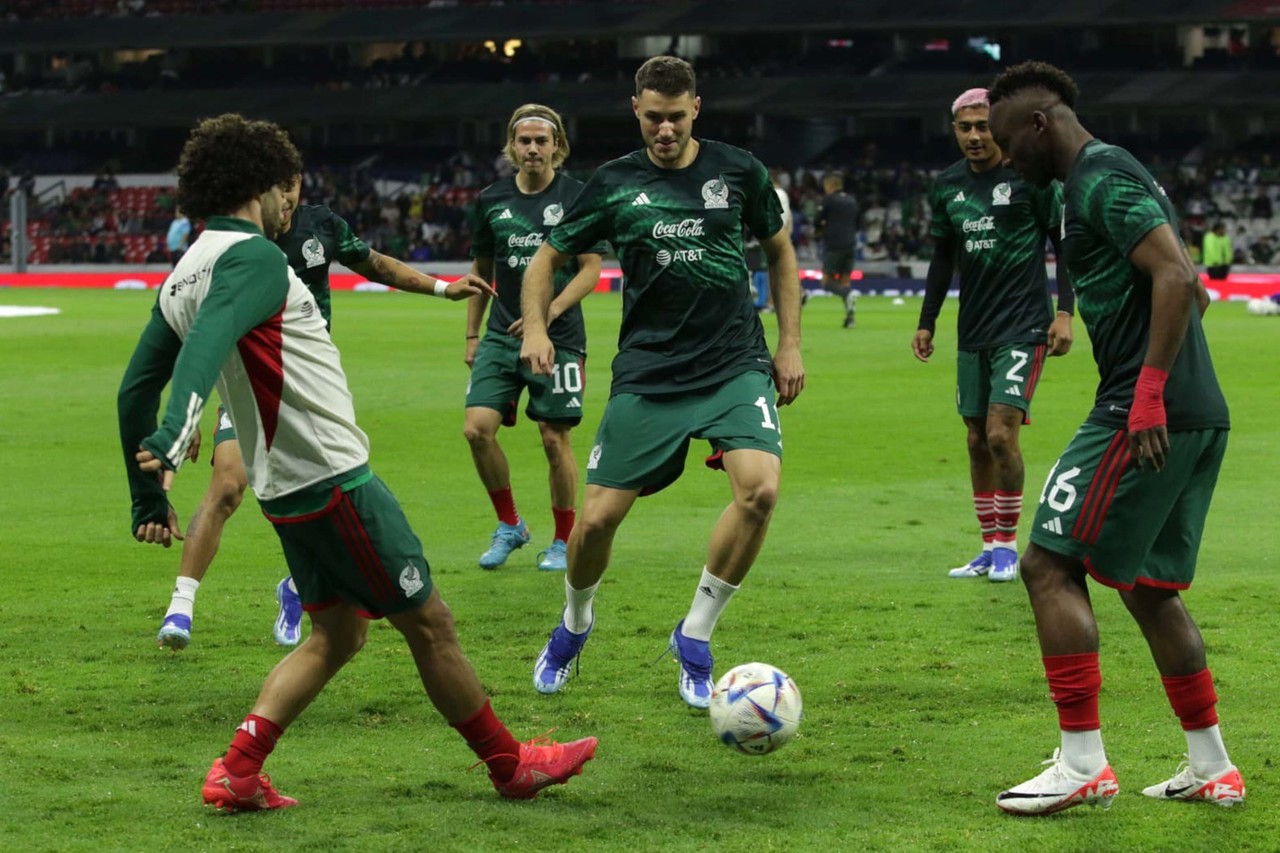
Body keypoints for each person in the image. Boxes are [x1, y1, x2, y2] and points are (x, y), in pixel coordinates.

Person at [118, 113, 595, 811]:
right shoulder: (255, 257)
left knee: (338, 633)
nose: (290, 200)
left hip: (283, 488)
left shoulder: (185, 270)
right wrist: (172, 434)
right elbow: (205, 347)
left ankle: (238, 768)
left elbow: (133, 387)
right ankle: (510, 765)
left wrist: (145, 497)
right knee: (430, 623)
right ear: (260, 186)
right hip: (334, 480)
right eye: (283, 186)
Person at [986, 62, 1244, 815]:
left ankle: (1082, 763)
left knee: (1046, 564)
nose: (1006, 157)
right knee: (1148, 587)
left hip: (1145, 410)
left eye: (1008, 140)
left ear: (1040, 124)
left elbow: (1178, 277)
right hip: (1198, 410)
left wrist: (1148, 392)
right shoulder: (1103, 177)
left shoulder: (1097, 177)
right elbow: (1191, 288)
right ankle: (1212, 764)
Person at [519, 56, 805, 710]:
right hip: (649, 371)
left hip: (733, 361)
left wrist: (789, 342)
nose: (666, 129)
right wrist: (536, 327)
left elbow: (781, 250)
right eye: (653, 117)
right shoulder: (614, 183)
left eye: (677, 117)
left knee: (760, 490)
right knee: (596, 522)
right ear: (636, 110)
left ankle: (695, 634)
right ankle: (574, 623)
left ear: (696, 108)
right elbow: (546, 259)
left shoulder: (739, 170)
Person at [155, 171, 495, 651]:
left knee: (322, 493)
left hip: (312, 394)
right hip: (248, 389)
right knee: (228, 486)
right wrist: (189, 410)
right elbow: (204, 329)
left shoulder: (322, 225)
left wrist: (443, 288)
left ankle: (299, 588)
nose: (285, 197)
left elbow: (374, 264)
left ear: (299, 183)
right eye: (275, 186)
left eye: (291, 184)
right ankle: (181, 605)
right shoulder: (233, 244)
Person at [912, 86, 1075, 584]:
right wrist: (927, 320)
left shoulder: (1029, 177)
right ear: (954, 130)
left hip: (1024, 326)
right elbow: (943, 258)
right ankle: (987, 546)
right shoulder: (948, 186)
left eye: (983, 126)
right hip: (974, 330)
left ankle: (1008, 546)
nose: (975, 136)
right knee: (976, 439)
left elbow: (1063, 245)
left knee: (1002, 435)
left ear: (998, 127)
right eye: (965, 128)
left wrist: (1065, 312)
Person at [463, 104, 605, 572]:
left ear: (556, 145)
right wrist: (471, 334)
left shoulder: (577, 196)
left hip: (560, 337)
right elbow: (481, 269)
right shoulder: (491, 200)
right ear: (512, 145)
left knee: (553, 439)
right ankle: (511, 525)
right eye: (524, 141)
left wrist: (544, 314)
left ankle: (564, 540)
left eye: (541, 141)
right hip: (500, 334)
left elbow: (591, 270)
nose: (532, 149)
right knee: (476, 429)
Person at [816, 173, 861, 328]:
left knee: (826, 282)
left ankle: (847, 293)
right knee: (845, 281)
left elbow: (817, 220)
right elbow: (858, 223)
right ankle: (850, 319)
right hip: (850, 244)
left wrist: (822, 228)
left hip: (834, 244)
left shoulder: (829, 200)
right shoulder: (852, 200)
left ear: (830, 185)